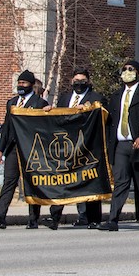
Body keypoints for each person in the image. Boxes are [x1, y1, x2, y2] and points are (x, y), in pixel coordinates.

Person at [101, 60, 139, 231]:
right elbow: (109, 119)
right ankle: (113, 219)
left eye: (131, 69)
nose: (127, 72)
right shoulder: (116, 95)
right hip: (120, 144)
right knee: (121, 182)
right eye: (124, 69)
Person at [0, 70, 50, 230]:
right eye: (19, 83)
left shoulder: (40, 103)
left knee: (31, 183)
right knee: (9, 181)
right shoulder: (12, 103)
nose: (20, 86)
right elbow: (6, 127)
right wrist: (0, 149)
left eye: (24, 83)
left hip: (31, 150)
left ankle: (33, 219)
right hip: (13, 148)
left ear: (31, 85)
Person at [48, 68, 105, 228]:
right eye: (76, 80)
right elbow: (58, 119)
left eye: (83, 81)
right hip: (66, 147)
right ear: (71, 81)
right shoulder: (64, 98)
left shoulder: (96, 98)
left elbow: (102, 118)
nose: (79, 83)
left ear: (88, 82)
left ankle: (92, 218)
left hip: (86, 147)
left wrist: (87, 110)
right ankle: (55, 217)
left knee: (88, 182)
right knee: (63, 182)